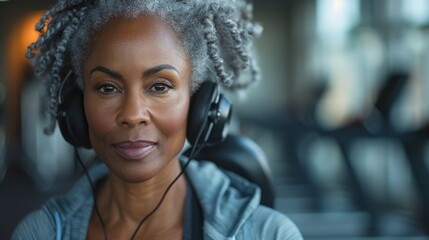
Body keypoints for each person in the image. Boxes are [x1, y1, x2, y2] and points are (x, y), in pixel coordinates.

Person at [13, 0, 302, 239]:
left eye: (160, 86)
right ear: (75, 108)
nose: (132, 114)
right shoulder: (39, 233)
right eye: (107, 87)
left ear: (202, 105)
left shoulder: (269, 233)